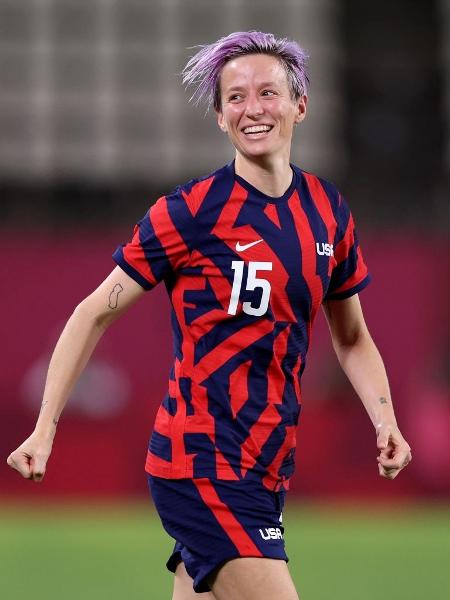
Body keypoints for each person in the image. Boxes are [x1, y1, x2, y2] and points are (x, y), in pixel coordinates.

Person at [7, 31, 412, 600]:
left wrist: (384, 419)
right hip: (201, 461)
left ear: (300, 105)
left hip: (267, 464)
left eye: (268, 92)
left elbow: (351, 337)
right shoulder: (190, 214)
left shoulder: (327, 211)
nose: (253, 108)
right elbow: (92, 313)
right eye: (236, 97)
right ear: (221, 118)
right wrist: (44, 430)